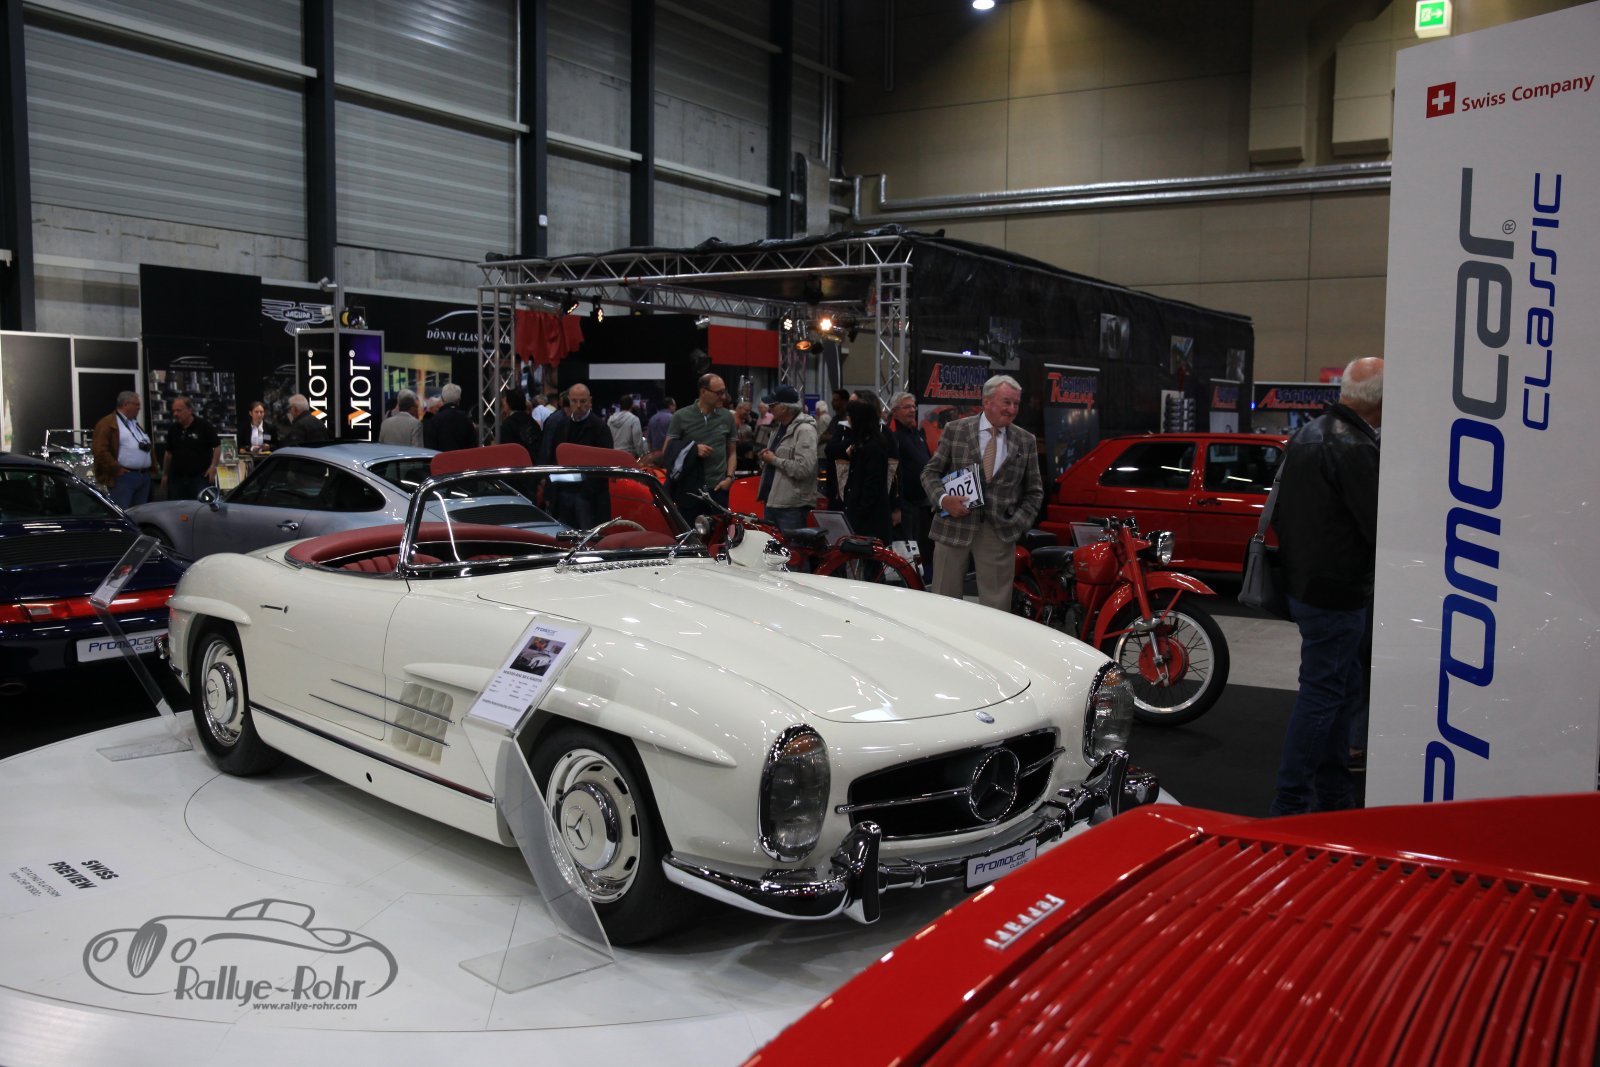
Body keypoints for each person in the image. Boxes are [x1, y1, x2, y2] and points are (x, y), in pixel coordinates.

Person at [1269, 356, 1383, 817]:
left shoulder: (1309, 434)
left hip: (1306, 585)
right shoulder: (1354, 446)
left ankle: (1335, 798)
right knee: (1322, 696)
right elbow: (1377, 526)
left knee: (1339, 691)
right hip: (1338, 592)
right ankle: (1290, 805)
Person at [920, 374, 1043, 612]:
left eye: (1016, 403)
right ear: (987, 402)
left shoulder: (1025, 440)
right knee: (943, 605)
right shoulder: (955, 430)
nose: (1012, 409)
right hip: (952, 526)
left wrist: (1017, 524)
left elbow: (1035, 492)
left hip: (999, 533)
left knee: (997, 610)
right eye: (1006, 402)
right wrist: (944, 500)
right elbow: (930, 472)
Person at [663, 373, 737, 521]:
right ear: (703, 392)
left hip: (718, 489)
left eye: (724, 392)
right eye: (719, 393)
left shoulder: (727, 417)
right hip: (689, 490)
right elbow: (667, 451)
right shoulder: (681, 416)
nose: (723, 397)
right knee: (690, 532)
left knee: (718, 533)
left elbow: (732, 452)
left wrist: (729, 478)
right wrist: (693, 449)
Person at [538, 381, 612, 527]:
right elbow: (553, 460)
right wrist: (549, 493)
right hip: (562, 493)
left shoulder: (600, 428)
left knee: (587, 535)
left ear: (590, 401)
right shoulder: (561, 426)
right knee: (564, 533)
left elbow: (605, 465)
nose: (578, 405)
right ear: (568, 401)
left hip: (588, 496)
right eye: (574, 401)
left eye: (582, 401)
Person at [756, 385, 818, 534]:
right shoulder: (778, 429)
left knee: (792, 548)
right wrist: (765, 458)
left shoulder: (805, 430)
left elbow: (804, 469)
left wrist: (774, 460)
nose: (769, 409)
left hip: (792, 507)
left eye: (773, 405)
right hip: (773, 502)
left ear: (784, 408)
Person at [888, 390, 934, 578]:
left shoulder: (916, 433)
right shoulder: (892, 435)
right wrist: (895, 507)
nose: (912, 410)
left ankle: (918, 580)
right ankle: (905, 582)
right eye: (907, 407)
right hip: (904, 504)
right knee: (905, 548)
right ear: (895, 411)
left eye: (914, 407)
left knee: (919, 547)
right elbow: (891, 472)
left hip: (921, 503)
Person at [841, 398, 895, 544]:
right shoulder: (861, 445)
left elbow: (872, 486)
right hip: (859, 516)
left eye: (850, 416)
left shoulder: (873, 448)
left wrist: (858, 513)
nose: (848, 420)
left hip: (869, 522)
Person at [91, 391, 154, 508]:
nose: (139, 408)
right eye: (136, 404)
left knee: (140, 514)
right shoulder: (107, 423)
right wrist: (116, 468)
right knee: (123, 512)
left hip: (143, 476)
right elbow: (99, 450)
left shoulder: (134, 423)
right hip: (124, 478)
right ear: (125, 404)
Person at [162, 395, 221, 501]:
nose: (175, 414)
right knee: (177, 506)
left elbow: (217, 446)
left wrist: (213, 467)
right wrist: (165, 474)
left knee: (201, 505)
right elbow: (168, 453)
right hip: (177, 478)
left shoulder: (203, 426)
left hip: (199, 477)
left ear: (189, 410)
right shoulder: (173, 429)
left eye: (179, 410)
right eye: (174, 411)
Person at [498, 387, 542, 464]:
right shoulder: (532, 422)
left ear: (509, 404)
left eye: (505, 401)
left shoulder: (508, 424)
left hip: (516, 467)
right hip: (535, 466)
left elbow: (505, 451)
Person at [429, 382, 477, 451]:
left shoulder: (435, 419)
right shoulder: (466, 419)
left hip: (442, 457)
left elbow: (431, 447)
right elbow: (473, 446)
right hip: (462, 457)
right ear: (459, 400)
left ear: (442, 399)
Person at [607, 393, 645, 460]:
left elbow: (607, 438)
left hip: (613, 456)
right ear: (632, 405)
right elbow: (637, 441)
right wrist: (641, 456)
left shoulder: (610, 419)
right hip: (628, 457)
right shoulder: (634, 419)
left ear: (620, 405)